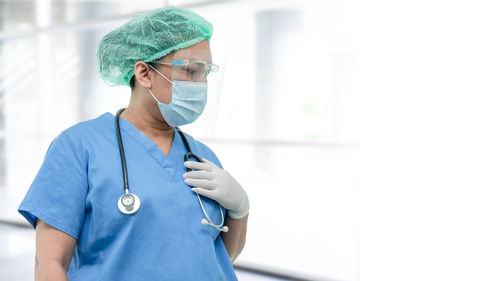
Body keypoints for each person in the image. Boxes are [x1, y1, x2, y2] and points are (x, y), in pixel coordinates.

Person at [17, 5, 249, 280]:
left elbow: (219, 256)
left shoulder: (200, 156)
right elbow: (50, 264)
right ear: (144, 73)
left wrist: (240, 210)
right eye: (190, 71)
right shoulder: (79, 147)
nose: (201, 84)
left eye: (206, 73)